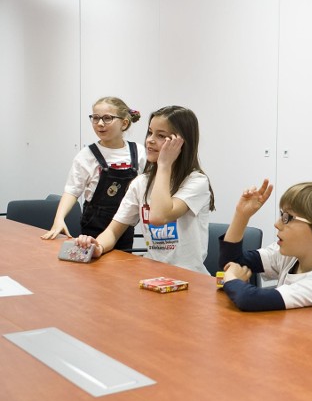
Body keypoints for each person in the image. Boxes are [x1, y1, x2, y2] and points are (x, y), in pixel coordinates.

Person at [75, 106, 215, 274]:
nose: (150, 140)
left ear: (181, 143)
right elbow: (113, 231)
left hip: (189, 276)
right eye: (150, 132)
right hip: (153, 274)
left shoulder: (196, 181)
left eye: (161, 136)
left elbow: (158, 216)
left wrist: (164, 165)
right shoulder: (141, 183)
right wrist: (98, 246)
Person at [219, 179, 312, 312]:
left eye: (287, 218)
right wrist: (242, 215)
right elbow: (231, 263)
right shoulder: (291, 255)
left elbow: (248, 299)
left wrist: (232, 278)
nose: (277, 224)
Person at [42, 96, 142, 249]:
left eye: (107, 118)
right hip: (92, 229)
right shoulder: (87, 155)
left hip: (125, 227)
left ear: (124, 123)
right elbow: (72, 191)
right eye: (95, 118)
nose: (100, 124)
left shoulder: (139, 152)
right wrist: (59, 219)